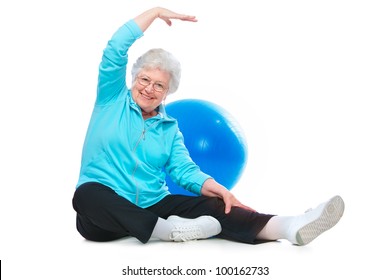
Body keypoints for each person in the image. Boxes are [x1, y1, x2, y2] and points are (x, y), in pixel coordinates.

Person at [72, 7, 345, 245]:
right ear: (133, 78)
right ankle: (168, 231)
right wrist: (154, 12)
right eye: (144, 79)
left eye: (159, 85)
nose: (149, 89)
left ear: (167, 93)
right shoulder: (111, 100)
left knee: (215, 205)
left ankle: (287, 226)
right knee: (85, 194)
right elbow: (114, 49)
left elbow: (184, 170)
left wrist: (217, 189)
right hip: (101, 218)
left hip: (152, 205)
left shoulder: (169, 129)